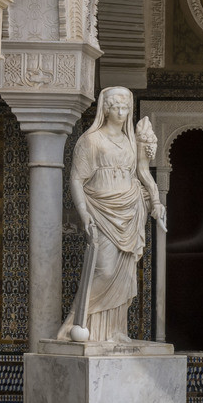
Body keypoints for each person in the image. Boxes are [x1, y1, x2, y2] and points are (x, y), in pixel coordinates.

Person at [59, 87, 164, 343]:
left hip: (130, 211)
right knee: (104, 271)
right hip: (101, 210)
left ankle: (114, 331)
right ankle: (75, 321)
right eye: (115, 107)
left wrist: (156, 201)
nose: (120, 112)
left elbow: (142, 171)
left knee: (125, 275)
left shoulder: (130, 140)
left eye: (125, 107)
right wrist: (83, 213)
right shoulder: (91, 140)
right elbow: (76, 179)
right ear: (105, 109)